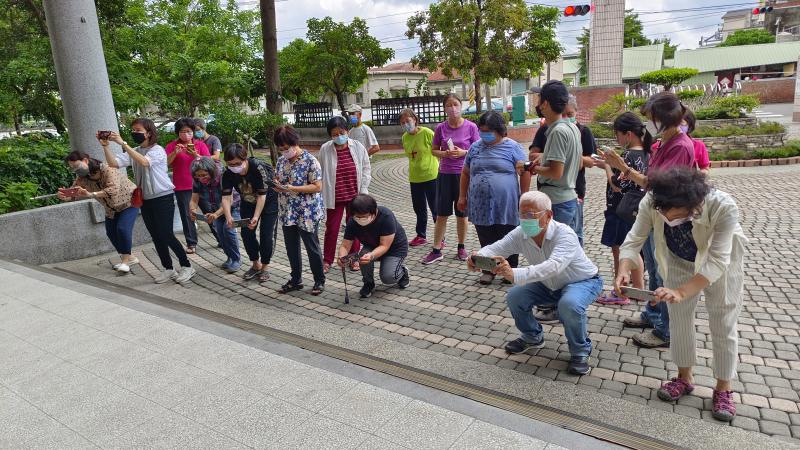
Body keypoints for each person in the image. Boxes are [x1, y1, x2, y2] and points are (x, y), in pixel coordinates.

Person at [615, 167, 746, 422]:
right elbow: (634, 238)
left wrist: (681, 291)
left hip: (723, 264)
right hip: (677, 258)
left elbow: (716, 261)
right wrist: (623, 268)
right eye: (661, 212)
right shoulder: (653, 200)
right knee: (678, 319)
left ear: (692, 207)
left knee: (723, 321)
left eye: (672, 214)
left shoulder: (723, 206)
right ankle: (684, 377)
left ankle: (723, 387)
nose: (664, 217)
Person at [468, 191, 602, 375]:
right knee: (515, 296)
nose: (525, 220)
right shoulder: (520, 233)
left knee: (569, 304)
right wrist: (478, 257)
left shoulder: (565, 234)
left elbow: (553, 266)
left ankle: (580, 351)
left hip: (582, 281)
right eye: (521, 214)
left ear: (549, 215)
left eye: (530, 215)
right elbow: (497, 247)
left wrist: (513, 273)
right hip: (548, 283)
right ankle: (533, 337)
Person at [602, 92, 697, 349]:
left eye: (651, 118)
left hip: (668, 220)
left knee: (662, 273)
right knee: (654, 270)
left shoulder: (680, 146)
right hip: (654, 215)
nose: (648, 124)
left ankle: (665, 330)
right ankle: (652, 315)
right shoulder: (664, 142)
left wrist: (623, 167)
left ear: (663, 118)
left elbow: (656, 185)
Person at [101, 119, 195, 284]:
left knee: (166, 234)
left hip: (163, 197)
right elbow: (113, 163)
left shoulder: (157, 150)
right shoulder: (135, 151)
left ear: (149, 133)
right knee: (156, 236)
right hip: (145, 200)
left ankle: (186, 266)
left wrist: (123, 143)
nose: (134, 133)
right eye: (133, 130)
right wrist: (105, 146)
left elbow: (144, 162)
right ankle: (168, 268)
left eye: (138, 130)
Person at [458, 110, 531, 285]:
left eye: (488, 131)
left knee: (508, 235)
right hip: (480, 203)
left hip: (506, 203)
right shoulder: (475, 147)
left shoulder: (513, 147)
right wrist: (462, 196)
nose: (484, 134)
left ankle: (510, 270)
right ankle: (488, 270)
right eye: (482, 130)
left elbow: (525, 173)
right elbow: (465, 173)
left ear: (499, 130)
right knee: (486, 237)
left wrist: (524, 197)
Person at [528, 93, 596, 246]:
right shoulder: (547, 129)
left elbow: (592, 161)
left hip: (572, 189)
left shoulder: (580, 131)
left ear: (576, 112)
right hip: (550, 192)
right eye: (562, 114)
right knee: (560, 239)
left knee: (571, 237)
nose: (565, 118)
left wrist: (564, 156)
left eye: (569, 114)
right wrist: (550, 155)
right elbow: (533, 154)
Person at [595, 113, 648, 305]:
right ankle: (635, 289)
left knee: (622, 249)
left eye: (617, 134)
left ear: (628, 134)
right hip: (636, 207)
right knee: (633, 247)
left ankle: (623, 291)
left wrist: (607, 166)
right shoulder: (646, 152)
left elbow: (617, 185)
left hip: (621, 209)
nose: (616, 138)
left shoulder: (628, 156)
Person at [422, 94, 480, 264]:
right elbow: (434, 150)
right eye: (449, 105)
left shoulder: (471, 127)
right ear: (444, 108)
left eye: (455, 104)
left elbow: (478, 149)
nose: (453, 108)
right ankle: (436, 250)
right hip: (445, 175)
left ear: (461, 106)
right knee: (441, 214)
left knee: (462, 214)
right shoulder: (440, 128)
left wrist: (463, 152)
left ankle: (461, 247)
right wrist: (445, 153)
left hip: (464, 175)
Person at [60, 150, 138, 273]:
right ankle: (131, 258)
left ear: (85, 160)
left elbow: (113, 189)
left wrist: (91, 194)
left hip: (129, 202)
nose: (75, 170)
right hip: (111, 209)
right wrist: (66, 196)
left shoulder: (107, 169)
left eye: (76, 166)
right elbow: (74, 192)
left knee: (122, 229)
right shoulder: (82, 178)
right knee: (111, 233)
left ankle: (125, 262)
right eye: (72, 168)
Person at [272, 125, 326, 296]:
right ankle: (296, 279)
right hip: (287, 210)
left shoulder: (310, 161)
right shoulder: (281, 160)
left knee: (311, 246)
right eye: (281, 148)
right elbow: (278, 178)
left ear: (295, 142)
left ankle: (319, 280)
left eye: (286, 147)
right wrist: (276, 184)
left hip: (307, 211)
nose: (284, 151)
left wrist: (293, 188)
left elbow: (317, 187)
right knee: (291, 247)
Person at [528, 81, 582, 236]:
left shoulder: (557, 132)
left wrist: (530, 167)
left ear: (545, 103)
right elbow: (578, 164)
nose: (538, 105)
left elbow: (555, 173)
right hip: (569, 199)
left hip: (557, 203)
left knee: (554, 247)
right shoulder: (572, 128)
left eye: (539, 99)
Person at [319, 116, 371, 273]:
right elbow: (321, 170)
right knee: (332, 229)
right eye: (334, 134)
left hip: (354, 196)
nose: (339, 136)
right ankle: (327, 260)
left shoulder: (357, 147)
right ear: (330, 135)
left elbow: (366, 168)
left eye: (341, 133)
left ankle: (353, 259)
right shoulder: (325, 149)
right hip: (334, 197)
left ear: (347, 131)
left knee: (354, 228)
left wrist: (363, 190)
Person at [221, 143, 279, 284]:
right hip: (247, 201)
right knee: (246, 234)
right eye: (230, 164)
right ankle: (255, 264)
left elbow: (262, 196)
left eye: (238, 163)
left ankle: (265, 267)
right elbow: (226, 197)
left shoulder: (257, 168)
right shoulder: (227, 173)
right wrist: (228, 217)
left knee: (266, 235)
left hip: (268, 201)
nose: (234, 167)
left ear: (245, 159)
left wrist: (256, 217)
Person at [339, 194, 409, 298]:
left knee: (388, 278)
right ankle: (368, 283)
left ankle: (402, 273)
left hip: (395, 248)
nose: (360, 219)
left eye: (364, 217)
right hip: (372, 246)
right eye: (357, 216)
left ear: (374, 212)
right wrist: (342, 257)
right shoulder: (352, 221)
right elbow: (345, 245)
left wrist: (371, 255)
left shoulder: (386, 216)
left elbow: (384, 246)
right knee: (362, 255)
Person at [166, 117, 211, 254]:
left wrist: (196, 155)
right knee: (187, 215)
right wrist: (175, 153)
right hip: (182, 186)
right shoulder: (172, 146)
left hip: (201, 184)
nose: (186, 134)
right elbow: (165, 163)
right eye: (183, 131)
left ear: (193, 131)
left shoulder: (200, 145)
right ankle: (191, 243)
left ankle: (221, 238)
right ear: (178, 132)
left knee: (209, 211)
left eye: (189, 131)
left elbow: (209, 164)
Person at [189, 156, 241, 273]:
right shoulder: (197, 181)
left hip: (234, 207)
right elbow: (194, 199)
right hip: (217, 208)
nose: (201, 178)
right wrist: (192, 210)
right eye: (198, 175)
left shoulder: (223, 177)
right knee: (220, 232)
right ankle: (230, 257)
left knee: (228, 229)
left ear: (211, 171)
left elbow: (229, 201)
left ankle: (236, 259)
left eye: (204, 175)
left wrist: (216, 214)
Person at [400, 108, 439, 247]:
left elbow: (438, 149)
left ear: (415, 119)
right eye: (402, 123)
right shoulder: (404, 137)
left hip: (431, 176)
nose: (406, 124)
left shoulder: (427, 133)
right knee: (419, 208)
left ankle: (440, 237)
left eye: (408, 121)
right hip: (415, 178)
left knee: (435, 208)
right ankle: (421, 235)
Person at [680, 109, 711, 174]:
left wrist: (696, 176)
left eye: (681, 123)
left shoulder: (698, 145)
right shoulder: (660, 145)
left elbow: (705, 168)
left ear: (689, 125)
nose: (677, 127)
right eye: (674, 124)